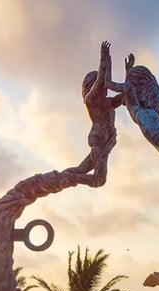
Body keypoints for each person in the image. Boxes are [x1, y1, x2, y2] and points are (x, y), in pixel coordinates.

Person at [108, 53, 159, 165]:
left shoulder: (129, 88)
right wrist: (128, 70)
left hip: (145, 118)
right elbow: (128, 87)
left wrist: (105, 59)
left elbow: (108, 84)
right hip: (149, 116)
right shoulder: (131, 90)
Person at [65, 41, 124, 187]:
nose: (103, 86)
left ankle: (57, 178)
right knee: (99, 180)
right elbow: (100, 80)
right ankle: (66, 179)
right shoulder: (91, 100)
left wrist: (129, 73)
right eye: (100, 84)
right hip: (98, 141)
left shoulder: (108, 103)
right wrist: (105, 58)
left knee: (81, 169)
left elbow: (125, 95)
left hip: (106, 143)